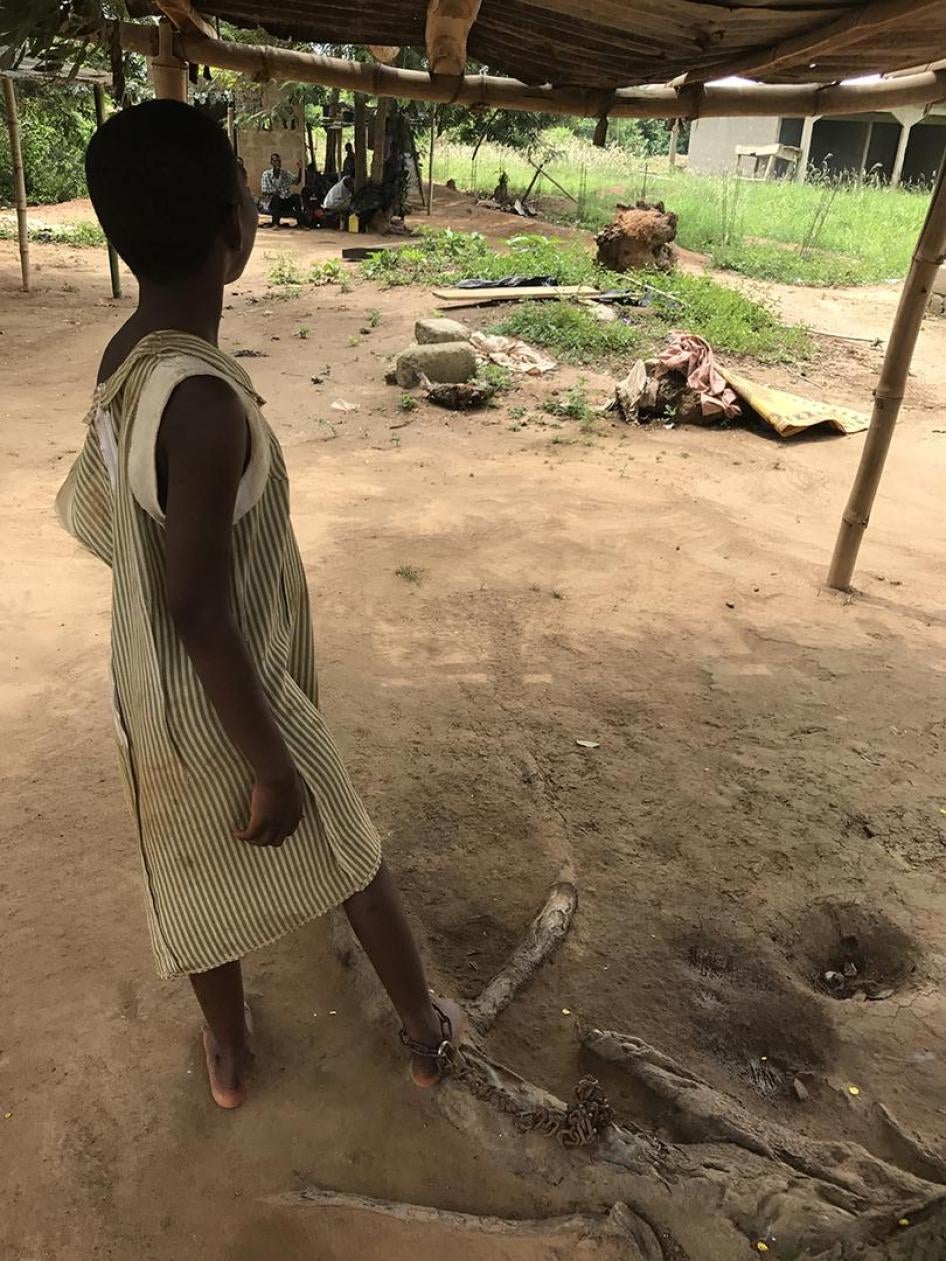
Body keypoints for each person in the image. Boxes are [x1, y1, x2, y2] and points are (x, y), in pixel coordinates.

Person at [55, 100, 463, 1110]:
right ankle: (423, 1030)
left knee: (190, 858)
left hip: (150, 686)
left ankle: (229, 1051)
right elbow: (199, 605)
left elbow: (122, 526)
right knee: (348, 846)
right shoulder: (204, 404)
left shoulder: (129, 357)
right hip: (230, 685)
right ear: (236, 229)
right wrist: (271, 761)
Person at [260, 151, 303, 227]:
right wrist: (274, 192)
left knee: (296, 197)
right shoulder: (266, 174)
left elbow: (297, 181)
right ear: (271, 163)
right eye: (275, 161)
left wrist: (300, 169)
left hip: (285, 201)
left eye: (279, 161)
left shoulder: (285, 173)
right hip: (273, 202)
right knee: (276, 198)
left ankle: (301, 223)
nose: (277, 163)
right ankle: (275, 223)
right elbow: (264, 192)